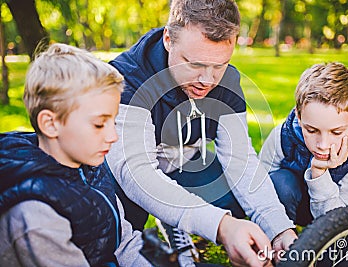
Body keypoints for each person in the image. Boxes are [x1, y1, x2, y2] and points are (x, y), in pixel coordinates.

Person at [106, 0, 297, 265]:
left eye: (220, 65)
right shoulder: (128, 79)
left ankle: (177, 219)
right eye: (194, 64)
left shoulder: (226, 81)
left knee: (280, 190)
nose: (207, 80)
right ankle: (169, 222)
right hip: (121, 179)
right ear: (168, 39)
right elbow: (137, 175)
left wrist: (278, 228)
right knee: (113, 242)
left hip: (185, 165)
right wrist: (221, 225)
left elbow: (241, 161)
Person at [0, 43, 152, 266]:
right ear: (50, 124)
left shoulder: (88, 163)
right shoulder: (36, 217)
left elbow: (125, 242)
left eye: (113, 121)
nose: (113, 136)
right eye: (100, 124)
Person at [259, 62, 348, 226]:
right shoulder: (282, 136)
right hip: (290, 206)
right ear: (299, 117)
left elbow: (342, 223)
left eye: (336, 132)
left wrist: (319, 173)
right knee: (280, 182)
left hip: (334, 210)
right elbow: (260, 189)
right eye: (312, 130)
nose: (323, 145)